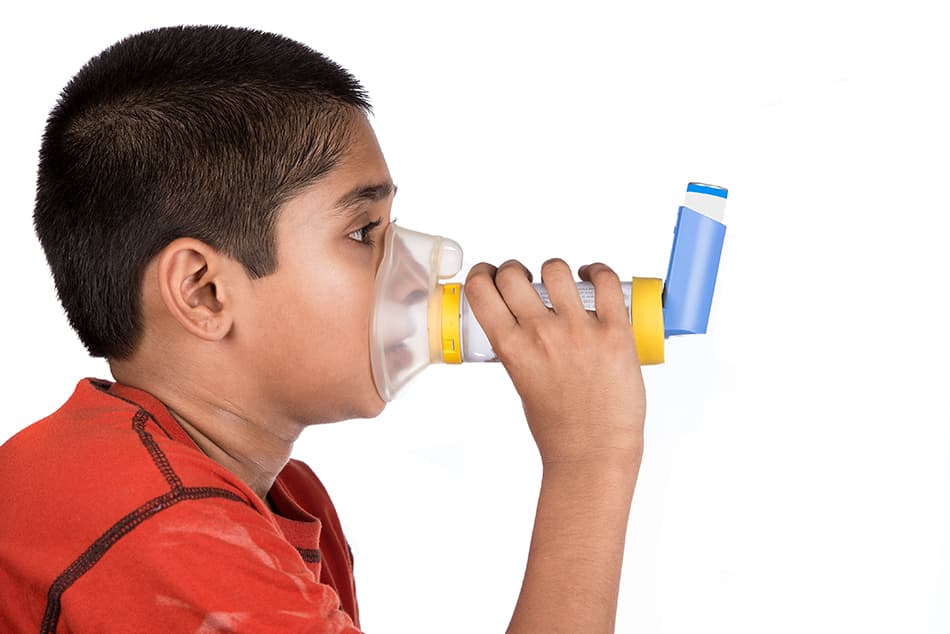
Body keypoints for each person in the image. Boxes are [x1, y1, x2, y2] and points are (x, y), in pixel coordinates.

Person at [0, 25, 646, 633]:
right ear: (204, 291)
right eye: (364, 233)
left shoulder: (279, 500)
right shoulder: (162, 529)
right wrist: (589, 462)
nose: (417, 273)